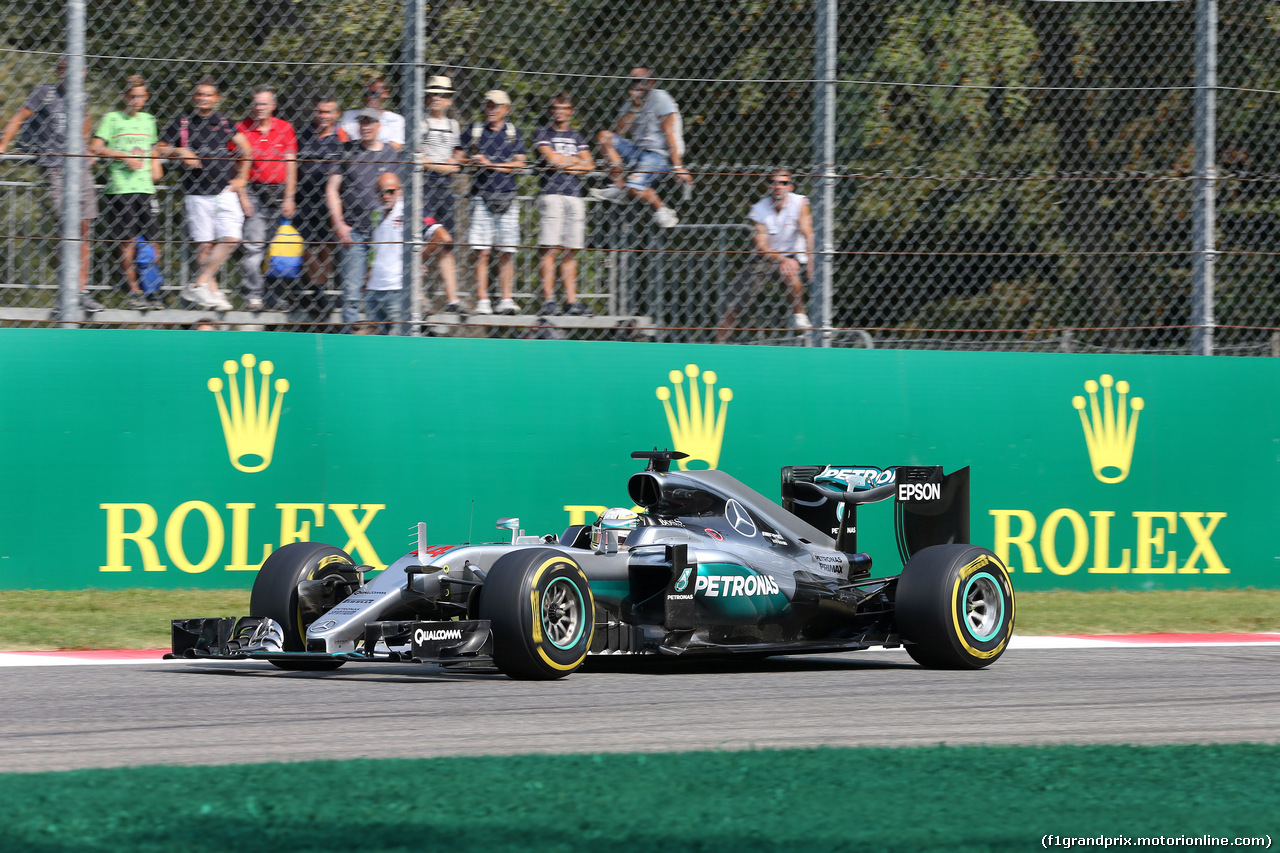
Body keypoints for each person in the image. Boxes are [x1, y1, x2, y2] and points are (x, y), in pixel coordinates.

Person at [0, 56, 102, 312]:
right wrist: (3, 145)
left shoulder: (82, 98)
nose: (69, 75)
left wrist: (88, 147)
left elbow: (86, 122)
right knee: (67, 227)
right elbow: (19, 117)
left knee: (84, 227)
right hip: (56, 166)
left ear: (83, 73)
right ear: (59, 73)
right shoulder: (45, 93)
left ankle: (82, 290)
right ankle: (67, 289)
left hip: (80, 167)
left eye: (75, 70)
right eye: (64, 70)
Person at [157, 75, 250, 312]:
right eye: (199, 94)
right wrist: (180, 151)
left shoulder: (226, 122)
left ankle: (198, 283)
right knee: (204, 246)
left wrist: (241, 178)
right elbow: (159, 149)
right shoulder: (183, 123)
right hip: (196, 192)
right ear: (193, 97)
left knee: (231, 238)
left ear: (216, 98)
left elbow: (247, 149)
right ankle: (212, 292)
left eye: (208, 95)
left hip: (223, 189)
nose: (203, 99)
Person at [89, 74, 163, 311]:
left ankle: (152, 289)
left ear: (146, 97)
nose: (136, 101)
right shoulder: (112, 119)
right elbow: (96, 147)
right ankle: (134, 290)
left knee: (153, 244)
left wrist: (156, 162)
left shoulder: (149, 120)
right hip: (122, 188)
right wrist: (123, 156)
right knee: (127, 242)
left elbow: (153, 148)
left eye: (140, 96)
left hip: (146, 189)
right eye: (132, 97)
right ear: (125, 97)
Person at [716, 168, 814, 343]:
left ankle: (799, 314)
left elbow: (807, 232)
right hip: (766, 257)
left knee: (793, 277)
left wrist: (811, 259)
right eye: (774, 182)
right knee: (736, 303)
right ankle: (718, 344)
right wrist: (782, 259)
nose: (778, 186)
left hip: (792, 256)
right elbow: (761, 247)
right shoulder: (758, 210)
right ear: (767, 185)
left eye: (783, 183)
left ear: (790, 186)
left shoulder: (800, 203)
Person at [327, 108, 404, 328]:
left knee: (386, 288)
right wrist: (339, 224)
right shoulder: (347, 151)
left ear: (379, 125)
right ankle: (350, 340)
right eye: (362, 123)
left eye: (370, 123)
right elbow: (332, 189)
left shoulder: (390, 153)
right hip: (356, 231)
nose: (365, 127)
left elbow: (401, 192)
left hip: (384, 235)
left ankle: (385, 333)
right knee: (351, 293)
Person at [590, 66, 691, 229]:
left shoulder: (660, 98)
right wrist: (635, 108)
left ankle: (662, 210)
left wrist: (678, 166)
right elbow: (619, 132)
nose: (637, 85)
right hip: (638, 152)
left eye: (641, 81)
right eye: (633, 81)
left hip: (660, 154)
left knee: (635, 187)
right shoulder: (631, 103)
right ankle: (619, 187)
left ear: (651, 82)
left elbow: (669, 133)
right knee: (604, 137)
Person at [456, 90, 525, 315]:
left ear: (506, 109)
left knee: (506, 250)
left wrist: (492, 164)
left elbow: (520, 164)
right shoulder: (475, 131)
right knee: (482, 251)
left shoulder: (513, 133)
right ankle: (483, 300)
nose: (491, 110)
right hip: (481, 195)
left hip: (508, 194)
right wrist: (472, 160)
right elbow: (458, 156)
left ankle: (506, 299)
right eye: (488, 105)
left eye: (496, 106)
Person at [236, 86, 298, 312]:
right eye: (255, 103)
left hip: (279, 191)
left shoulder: (285, 128)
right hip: (254, 189)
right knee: (254, 247)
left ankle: (274, 297)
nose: (258, 108)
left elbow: (291, 165)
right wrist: (243, 195)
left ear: (273, 105)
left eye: (263, 104)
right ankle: (254, 294)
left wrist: (289, 197)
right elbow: (236, 165)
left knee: (278, 249)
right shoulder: (242, 128)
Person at [534, 91, 593, 316]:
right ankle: (549, 300)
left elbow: (590, 165)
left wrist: (567, 163)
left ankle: (571, 302)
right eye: (554, 108)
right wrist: (576, 162)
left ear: (571, 111)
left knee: (571, 250)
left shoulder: (576, 136)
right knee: (549, 248)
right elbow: (552, 159)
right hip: (551, 194)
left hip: (574, 195)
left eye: (563, 108)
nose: (558, 112)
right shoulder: (543, 133)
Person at [295, 93, 349, 313]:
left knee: (326, 247)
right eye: (320, 111)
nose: (323, 116)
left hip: (331, 199)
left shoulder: (342, 137)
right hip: (303, 197)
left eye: (328, 112)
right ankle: (319, 290)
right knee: (305, 246)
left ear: (336, 114)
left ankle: (321, 291)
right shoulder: (303, 134)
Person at [415, 75, 461, 312]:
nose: (436, 98)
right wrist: (444, 166)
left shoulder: (453, 126)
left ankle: (453, 299)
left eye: (441, 94)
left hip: (446, 189)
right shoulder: (421, 123)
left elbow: (458, 156)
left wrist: (454, 162)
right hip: (425, 186)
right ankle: (417, 293)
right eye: (432, 93)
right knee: (424, 238)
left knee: (447, 244)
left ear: (449, 100)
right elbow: (417, 158)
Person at [365, 172, 409, 335]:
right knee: (376, 344)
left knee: (397, 343)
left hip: (396, 289)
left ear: (400, 190)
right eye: (381, 192)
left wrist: (417, 259)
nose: (385, 196)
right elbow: (374, 248)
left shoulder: (408, 211)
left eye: (390, 191)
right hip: (373, 289)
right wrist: (367, 277)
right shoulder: (376, 212)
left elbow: (439, 236)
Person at [339, 76, 404, 151]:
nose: (369, 98)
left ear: (385, 94)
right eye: (366, 94)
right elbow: (341, 140)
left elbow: (396, 146)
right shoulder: (349, 115)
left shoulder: (395, 119)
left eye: (374, 94)